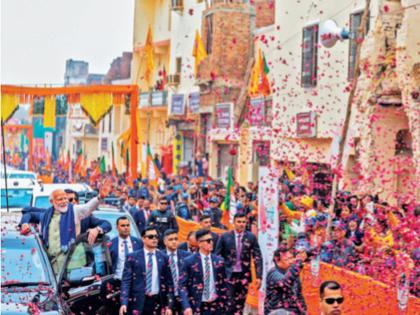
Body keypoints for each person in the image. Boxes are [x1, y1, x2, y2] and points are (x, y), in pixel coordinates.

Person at [20, 179, 113, 273]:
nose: (65, 202)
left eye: (66, 199)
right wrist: (24, 224)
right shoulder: (47, 215)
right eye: (61, 199)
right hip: (51, 266)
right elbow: (28, 213)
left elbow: (88, 208)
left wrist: (99, 197)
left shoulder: (76, 212)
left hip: (74, 266)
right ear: (52, 202)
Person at [215, 213, 263, 314]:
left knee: (240, 303)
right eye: (239, 222)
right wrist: (218, 274)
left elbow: (257, 256)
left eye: (244, 222)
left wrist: (259, 276)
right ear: (234, 222)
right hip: (228, 275)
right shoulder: (225, 236)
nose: (241, 224)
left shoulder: (251, 237)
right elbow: (217, 256)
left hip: (244, 275)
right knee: (229, 302)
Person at [119, 226, 174, 315]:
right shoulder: (132, 257)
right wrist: (124, 303)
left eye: (156, 236)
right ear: (143, 239)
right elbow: (126, 281)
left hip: (157, 301)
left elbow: (169, 283)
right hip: (137, 302)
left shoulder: (164, 257)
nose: (154, 239)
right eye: (151, 237)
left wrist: (169, 305)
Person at [179, 229, 228, 315]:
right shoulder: (189, 261)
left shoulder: (219, 261)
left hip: (216, 306)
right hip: (197, 306)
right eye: (208, 241)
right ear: (199, 243)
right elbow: (182, 285)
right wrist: (186, 306)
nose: (211, 243)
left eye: (212, 240)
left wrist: (225, 304)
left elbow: (223, 284)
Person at [264, 244, 307, 315]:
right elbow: (285, 283)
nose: (291, 261)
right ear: (277, 261)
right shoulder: (273, 273)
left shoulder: (292, 272)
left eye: (291, 258)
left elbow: (298, 294)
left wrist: (304, 311)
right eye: (287, 259)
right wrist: (298, 263)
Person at [163, 229, 191, 314]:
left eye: (176, 239)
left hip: (184, 297)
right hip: (166, 297)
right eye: (171, 239)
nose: (174, 242)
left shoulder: (187, 256)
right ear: (165, 241)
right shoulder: (159, 256)